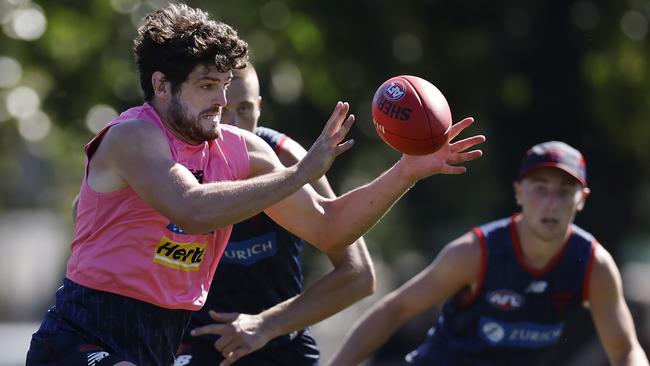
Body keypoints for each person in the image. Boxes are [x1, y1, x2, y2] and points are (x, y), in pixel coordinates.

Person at [25, 3, 484, 366]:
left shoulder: (239, 149)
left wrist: (407, 170)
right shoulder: (133, 136)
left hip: (162, 339)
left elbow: (332, 227)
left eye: (225, 86)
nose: (221, 102)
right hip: (84, 335)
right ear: (161, 84)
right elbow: (190, 207)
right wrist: (299, 173)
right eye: (207, 85)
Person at [326, 141, 649, 366]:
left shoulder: (593, 265)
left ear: (582, 199)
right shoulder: (476, 253)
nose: (552, 202)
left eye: (565, 192)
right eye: (540, 188)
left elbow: (624, 350)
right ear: (519, 192)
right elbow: (396, 309)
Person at [174, 63, 375, 366]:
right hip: (194, 342)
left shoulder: (289, 159)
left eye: (244, 109)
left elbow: (357, 275)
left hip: (279, 342)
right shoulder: (172, 159)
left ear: (259, 107)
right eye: (221, 110)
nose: (232, 125)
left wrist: (265, 324)